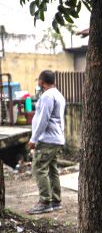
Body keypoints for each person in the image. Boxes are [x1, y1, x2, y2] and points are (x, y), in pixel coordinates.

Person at [28, 70, 66, 215]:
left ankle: (45, 202)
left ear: (41, 81)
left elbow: (44, 119)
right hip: (56, 138)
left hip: (47, 139)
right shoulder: (58, 95)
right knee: (52, 169)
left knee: (39, 167)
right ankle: (56, 201)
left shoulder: (47, 96)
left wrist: (33, 139)